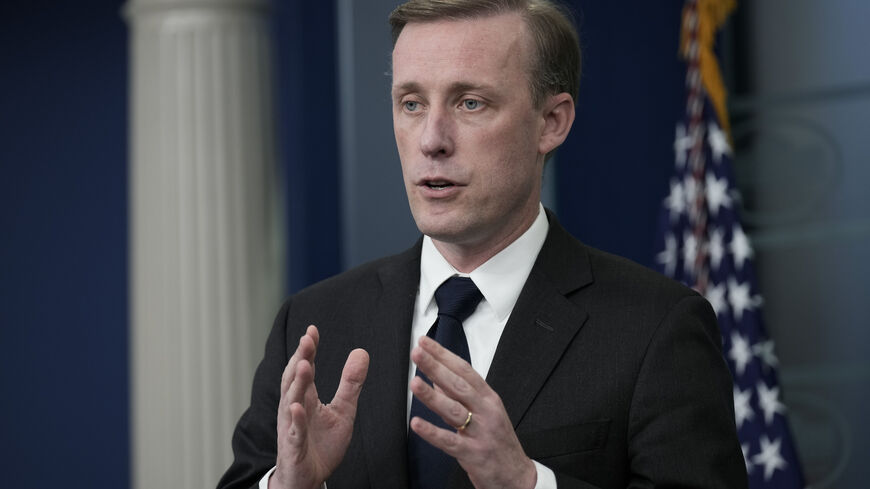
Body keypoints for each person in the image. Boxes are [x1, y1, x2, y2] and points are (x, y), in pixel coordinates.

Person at [218, 1, 747, 488]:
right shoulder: (315, 321)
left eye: (470, 103)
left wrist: (525, 483)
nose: (432, 139)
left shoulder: (656, 328)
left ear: (552, 122)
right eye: (411, 103)